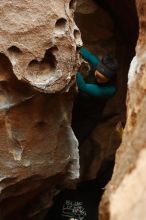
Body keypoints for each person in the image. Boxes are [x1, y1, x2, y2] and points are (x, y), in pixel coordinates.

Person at [71, 47, 118, 145]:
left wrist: (72, 67)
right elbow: (84, 52)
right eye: (97, 76)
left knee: (75, 142)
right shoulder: (97, 64)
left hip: (89, 117)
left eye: (102, 79)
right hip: (77, 105)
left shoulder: (110, 89)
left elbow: (83, 86)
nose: (98, 80)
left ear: (110, 78)